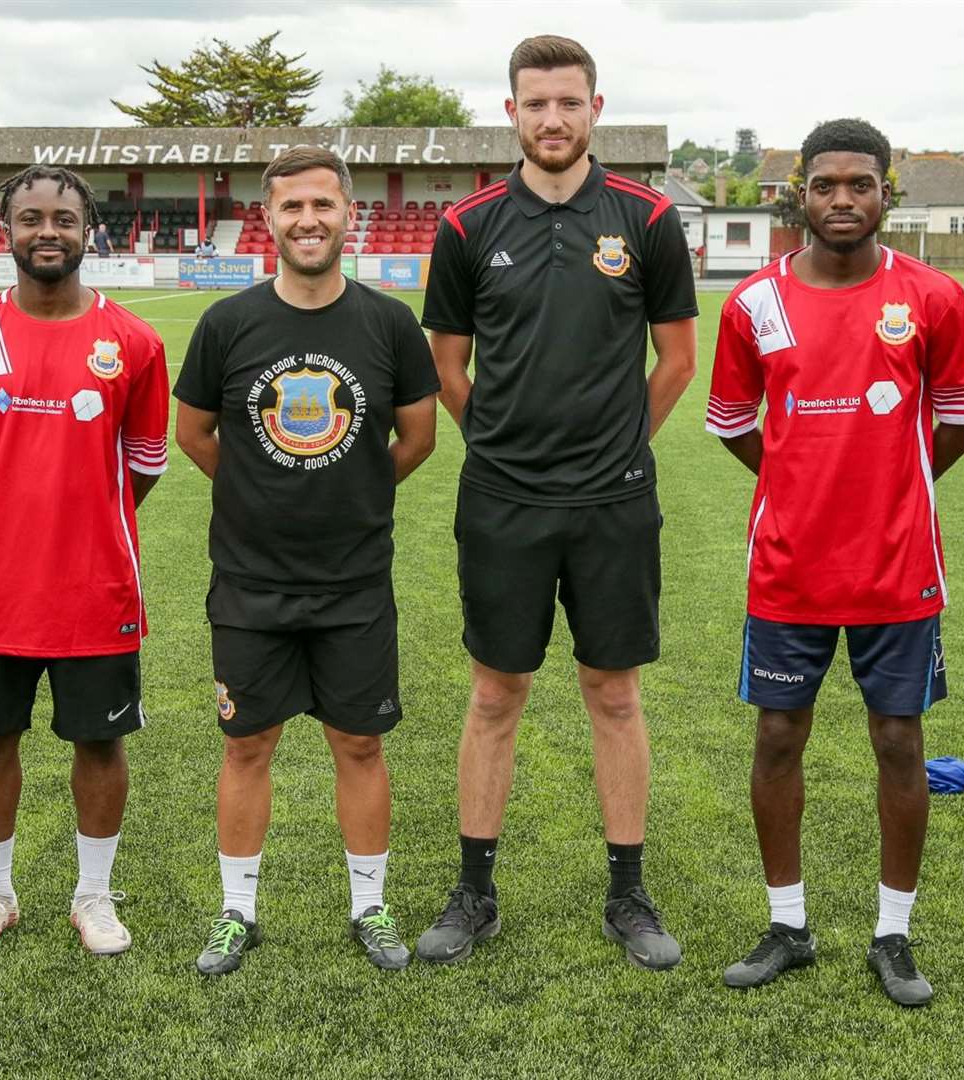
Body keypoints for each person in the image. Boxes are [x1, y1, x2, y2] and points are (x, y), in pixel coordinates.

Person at [415, 35, 698, 970]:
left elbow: (677, 360)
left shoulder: (648, 220)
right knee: (496, 694)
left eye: (567, 103)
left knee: (613, 694)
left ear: (594, 108)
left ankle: (628, 894)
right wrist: (498, 446)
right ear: (511, 113)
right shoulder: (466, 227)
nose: (551, 119)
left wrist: (618, 448)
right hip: (503, 502)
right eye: (534, 104)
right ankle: (475, 892)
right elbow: (447, 367)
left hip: (614, 503)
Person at [705, 119, 964, 1006]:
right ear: (799, 192)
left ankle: (893, 935)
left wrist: (894, 484)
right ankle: (786, 924)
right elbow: (731, 424)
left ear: (886, 192)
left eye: (859, 184)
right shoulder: (754, 302)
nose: (841, 200)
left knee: (899, 741)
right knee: (779, 734)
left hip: (898, 565)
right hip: (788, 567)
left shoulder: (934, 297)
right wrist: (796, 482)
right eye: (825, 185)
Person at [174, 146, 438, 975]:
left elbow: (419, 436)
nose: (309, 221)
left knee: (359, 745)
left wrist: (355, 492)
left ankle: (370, 907)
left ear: (349, 214)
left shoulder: (390, 323)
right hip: (250, 582)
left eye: (323, 205)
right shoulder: (229, 323)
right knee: (247, 745)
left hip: (355, 582)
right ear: (269, 219)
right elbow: (193, 433)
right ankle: (236, 913)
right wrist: (257, 491)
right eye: (292, 208)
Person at [0, 165, 170, 958]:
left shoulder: (133, 342)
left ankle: (93, 897)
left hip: (96, 585)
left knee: (100, 744)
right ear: (7, 231)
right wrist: (12, 510)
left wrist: (87, 520)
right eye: (30, 218)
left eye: (63, 218)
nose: (47, 232)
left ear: (87, 229)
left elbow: (144, 464)